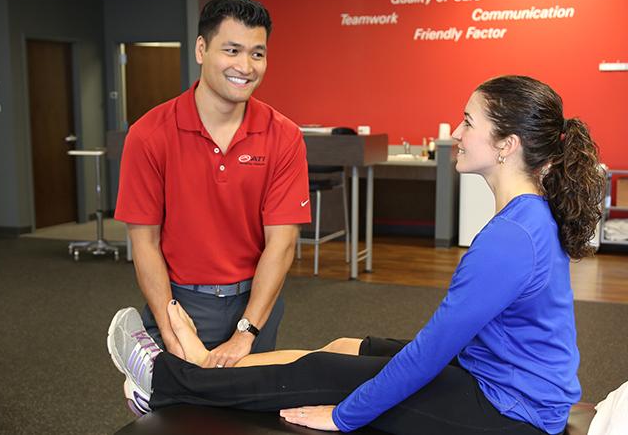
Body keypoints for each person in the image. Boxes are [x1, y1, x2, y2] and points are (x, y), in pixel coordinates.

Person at [107, 75, 604, 434]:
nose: (456, 132)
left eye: (468, 122)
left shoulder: (510, 240)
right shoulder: (527, 218)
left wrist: (344, 413)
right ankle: (200, 360)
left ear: (505, 146)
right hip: (500, 378)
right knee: (346, 347)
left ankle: (169, 380)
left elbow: (431, 352)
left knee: (324, 375)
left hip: (510, 412)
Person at [114, 0, 310, 370]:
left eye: (257, 53)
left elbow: (282, 244)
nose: (246, 66)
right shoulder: (149, 134)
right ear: (201, 49)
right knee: (178, 416)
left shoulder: (283, 136)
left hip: (255, 302)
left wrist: (246, 332)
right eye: (232, 50)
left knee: (250, 413)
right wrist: (172, 331)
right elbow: (145, 244)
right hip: (180, 302)